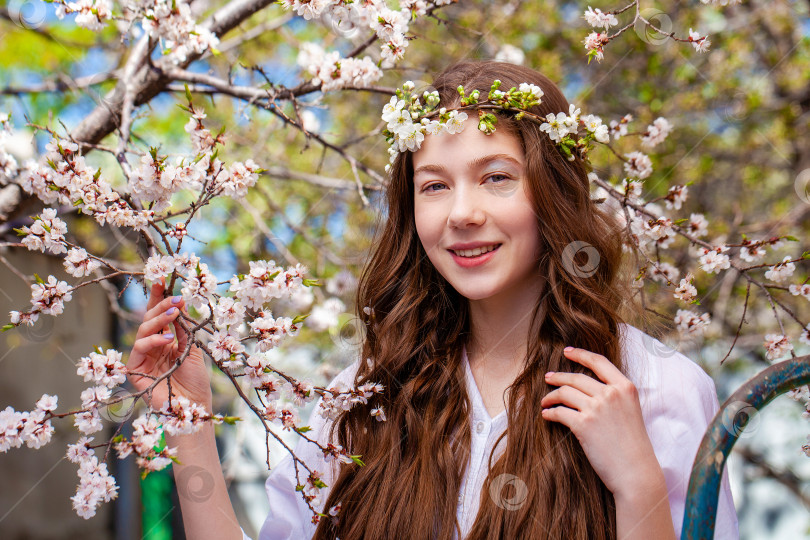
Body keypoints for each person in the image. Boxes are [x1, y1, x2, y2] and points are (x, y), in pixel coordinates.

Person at [126, 60, 739, 540]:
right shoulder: (360, 404)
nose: (463, 214)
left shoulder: (658, 390)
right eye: (434, 187)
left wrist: (637, 483)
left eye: (497, 177)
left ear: (553, 190)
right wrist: (191, 428)